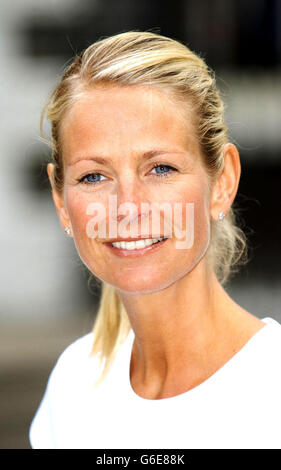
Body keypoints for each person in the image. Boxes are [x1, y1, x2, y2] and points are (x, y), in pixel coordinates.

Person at [29, 31, 281, 449]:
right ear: (61, 200)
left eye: (160, 168)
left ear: (223, 181)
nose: (128, 207)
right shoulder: (73, 386)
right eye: (94, 176)